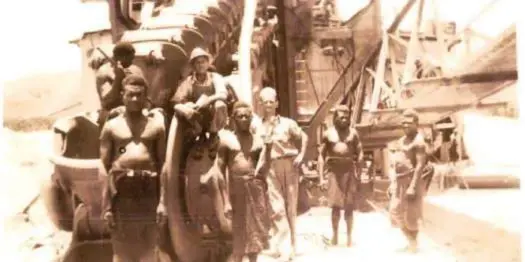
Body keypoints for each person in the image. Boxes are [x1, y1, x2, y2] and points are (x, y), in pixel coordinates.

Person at [100, 75, 166, 262]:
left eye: (139, 95)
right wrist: (107, 207)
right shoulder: (111, 127)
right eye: (130, 95)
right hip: (121, 193)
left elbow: (164, 166)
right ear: (123, 96)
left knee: (149, 248)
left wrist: (163, 202)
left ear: (146, 97)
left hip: (148, 192)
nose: (135, 99)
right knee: (122, 251)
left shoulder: (157, 126)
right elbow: (103, 168)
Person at [212, 101, 272, 262]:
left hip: (254, 188)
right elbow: (218, 170)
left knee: (255, 234)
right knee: (238, 235)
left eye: (247, 116)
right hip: (235, 190)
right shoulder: (226, 140)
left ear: (252, 118)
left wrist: (269, 148)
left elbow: (264, 170)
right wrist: (225, 201)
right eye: (240, 116)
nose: (244, 119)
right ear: (234, 118)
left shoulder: (258, 140)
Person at [256, 87, 308, 259]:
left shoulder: (287, 123)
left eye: (272, 101)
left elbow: (304, 137)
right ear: (261, 104)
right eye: (265, 102)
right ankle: (278, 245)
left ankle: (293, 246)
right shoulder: (257, 125)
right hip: (270, 167)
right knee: (276, 207)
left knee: (291, 208)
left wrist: (301, 155)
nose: (269, 105)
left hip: (289, 165)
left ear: (277, 103)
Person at [388, 109, 434, 253]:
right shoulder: (402, 141)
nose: (405, 125)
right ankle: (411, 241)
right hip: (400, 180)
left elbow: (420, 165)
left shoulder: (419, 142)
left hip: (412, 180)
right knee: (394, 212)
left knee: (411, 215)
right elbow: (396, 164)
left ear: (416, 124)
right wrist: (392, 183)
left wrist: (413, 186)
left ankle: (413, 244)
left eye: (409, 123)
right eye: (403, 123)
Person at [318, 105, 363, 247]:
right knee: (335, 207)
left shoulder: (353, 133)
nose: (344, 119)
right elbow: (320, 156)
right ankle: (335, 236)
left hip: (349, 171)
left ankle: (349, 238)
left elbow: (360, 152)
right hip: (334, 172)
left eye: (346, 117)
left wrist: (359, 174)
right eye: (341, 117)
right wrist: (321, 178)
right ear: (335, 118)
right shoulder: (328, 134)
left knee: (349, 207)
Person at [170, 47, 228, 157]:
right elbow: (176, 101)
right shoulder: (188, 81)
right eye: (197, 63)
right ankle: (200, 137)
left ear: (208, 63)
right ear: (193, 66)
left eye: (203, 62)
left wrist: (209, 100)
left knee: (220, 104)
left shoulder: (215, 77)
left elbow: (223, 94)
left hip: (213, 114)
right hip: (198, 115)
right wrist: (186, 107)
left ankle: (213, 135)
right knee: (185, 110)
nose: (201, 65)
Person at [94, 42, 145, 127]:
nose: (132, 62)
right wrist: (118, 78)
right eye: (129, 59)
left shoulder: (135, 69)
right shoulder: (104, 72)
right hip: (112, 114)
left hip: (135, 110)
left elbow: (145, 91)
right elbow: (106, 101)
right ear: (120, 58)